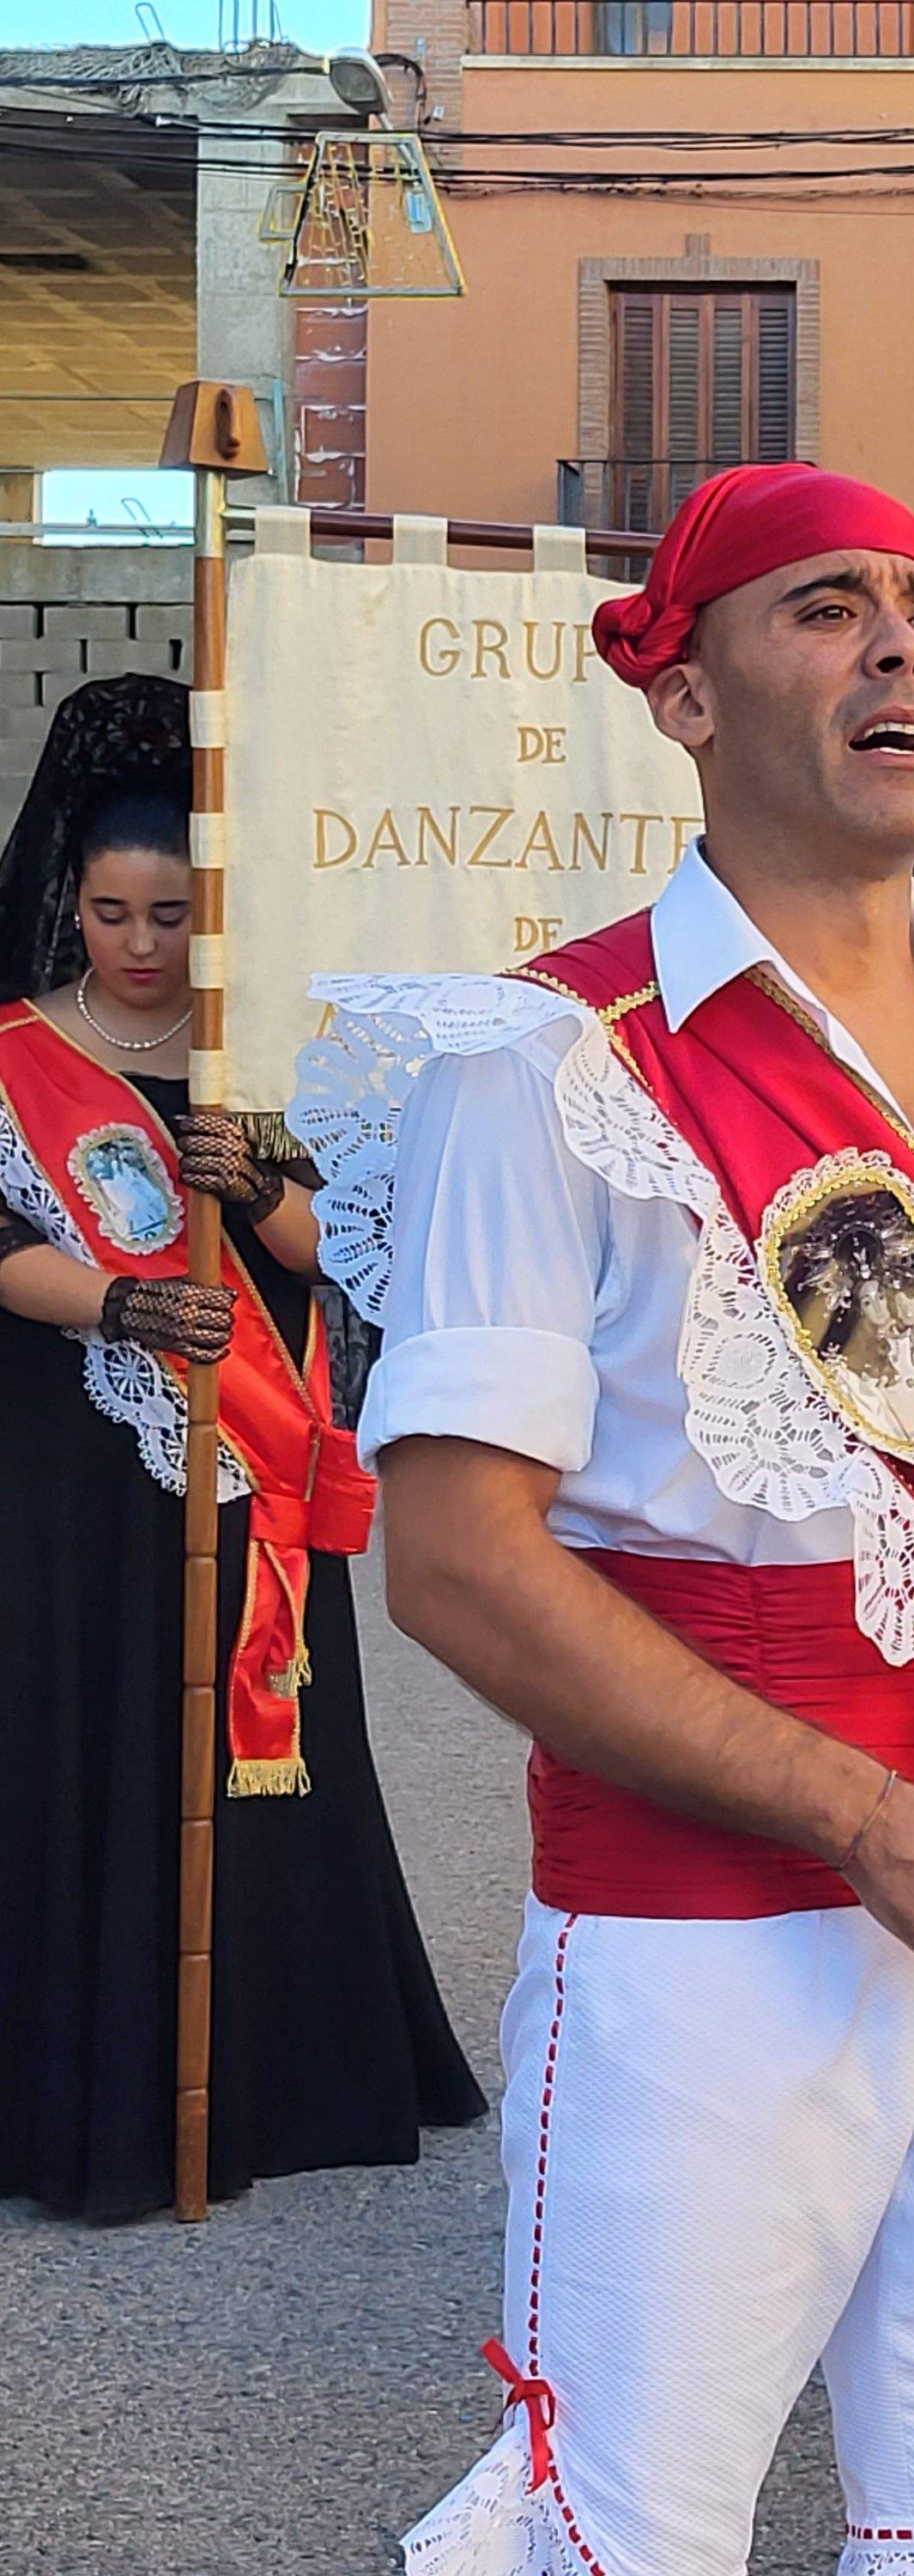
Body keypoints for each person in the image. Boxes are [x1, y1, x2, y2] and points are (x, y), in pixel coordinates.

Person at [288, 462, 914, 2576]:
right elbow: (454, 1556)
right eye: (820, 609)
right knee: (623, 2532)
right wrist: (858, 1810)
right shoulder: (545, 1056)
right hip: (698, 1953)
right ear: (684, 694)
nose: (898, 640)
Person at [0, 674, 479, 2222]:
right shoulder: (17, 1053)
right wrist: (127, 1300)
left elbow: (348, 1242)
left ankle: (270, 2075)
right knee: (87, 1734)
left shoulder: (264, 1058)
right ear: (72, 902)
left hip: (247, 1465)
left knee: (241, 1755)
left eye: (173, 916)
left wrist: (254, 1183)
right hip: (76, 1462)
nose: (142, 945)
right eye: (115, 912)